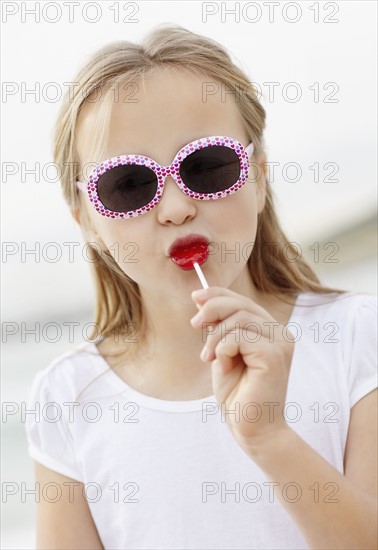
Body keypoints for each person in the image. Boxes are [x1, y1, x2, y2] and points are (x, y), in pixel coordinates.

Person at [25, 24, 377, 549]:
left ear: (258, 177)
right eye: (128, 184)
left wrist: (269, 437)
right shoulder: (68, 400)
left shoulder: (356, 338)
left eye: (207, 166)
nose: (176, 208)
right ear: (89, 225)